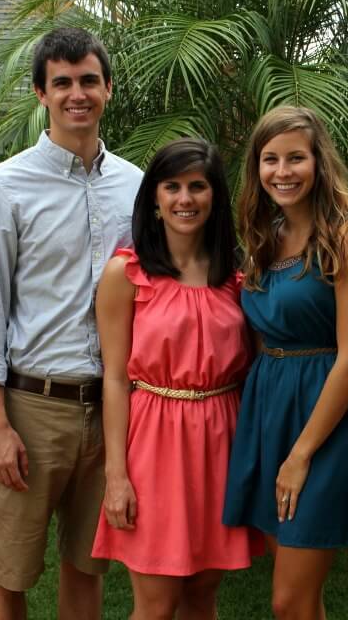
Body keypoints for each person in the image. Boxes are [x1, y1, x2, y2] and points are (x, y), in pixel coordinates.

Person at [0, 27, 143, 620]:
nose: (77, 94)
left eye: (88, 80)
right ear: (41, 92)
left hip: (113, 409)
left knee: (86, 566)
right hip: (31, 408)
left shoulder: (137, 187)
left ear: (108, 88)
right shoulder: (2, 188)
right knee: (10, 572)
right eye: (61, 82)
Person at [91, 137, 257, 620]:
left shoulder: (236, 275)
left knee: (203, 594)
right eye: (173, 187)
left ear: (214, 197)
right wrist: (116, 475)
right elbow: (116, 380)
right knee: (157, 603)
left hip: (221, 440)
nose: (185, 199)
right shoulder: (127, 273)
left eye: (198, 187)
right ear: (155, 199)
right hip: (155, 443)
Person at [222, 106, 348, 620]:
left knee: (289, 599)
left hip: (322, 417)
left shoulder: (346, 237)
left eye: (295, 158)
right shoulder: (263, 239)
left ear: (318, 162)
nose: (282, 171)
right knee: (300, 599)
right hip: (268, 409)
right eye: (270, 159)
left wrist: (301, 454)